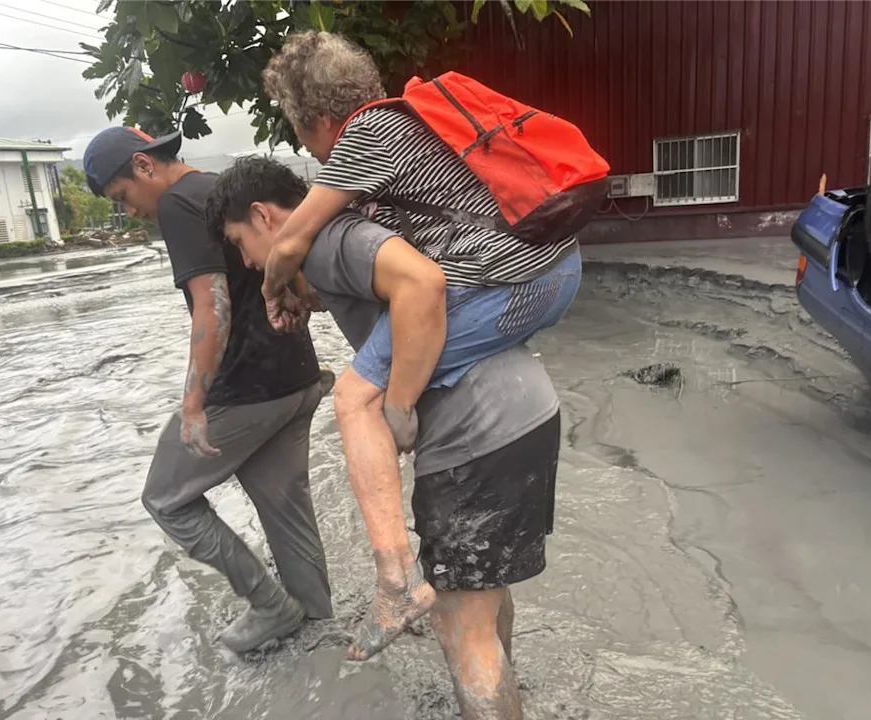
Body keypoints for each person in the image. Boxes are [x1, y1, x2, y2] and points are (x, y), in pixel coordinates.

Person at [255, 30, 583, 658]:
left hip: (510, 282)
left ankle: (394, 582)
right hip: (559, 268)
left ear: (320, 119)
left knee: (356, 400)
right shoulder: (418, 125)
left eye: (304, 135)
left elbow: (293, 241)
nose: (312, 152)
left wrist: (276, 288)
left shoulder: (366, 135)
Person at [204, 156, 563, 719]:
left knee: (461, 632)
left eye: (240, 243)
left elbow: (424, 282)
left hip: (477, 435)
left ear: (263, 216)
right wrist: (311, 296)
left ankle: (397, 585)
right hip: (529, 413)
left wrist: (395, 407)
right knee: (482, 605)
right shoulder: (347, 237)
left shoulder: (326, 240)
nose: (250, 263)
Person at [82, 127, 333, 653]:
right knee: (284, 506)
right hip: (297, 378)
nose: (128, 212)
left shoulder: (177, 203)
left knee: (165, 500)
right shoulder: (223, 189)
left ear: (145, 166)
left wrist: (193, 403)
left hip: (246, 390)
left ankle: (270, 606)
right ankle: (319, 631)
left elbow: (212, 306)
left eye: (123, 196)